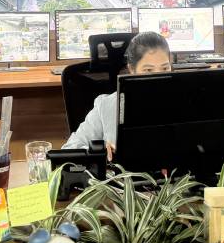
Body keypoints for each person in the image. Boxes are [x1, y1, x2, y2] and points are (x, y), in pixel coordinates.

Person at [62, 31, 171, 161]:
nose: (158, 77)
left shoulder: (186, 102)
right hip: (123, 174)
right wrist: (97, 151)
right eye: (148, 70)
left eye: (165, 68)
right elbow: (69, 149)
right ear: (132, 70)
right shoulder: (107, 105)